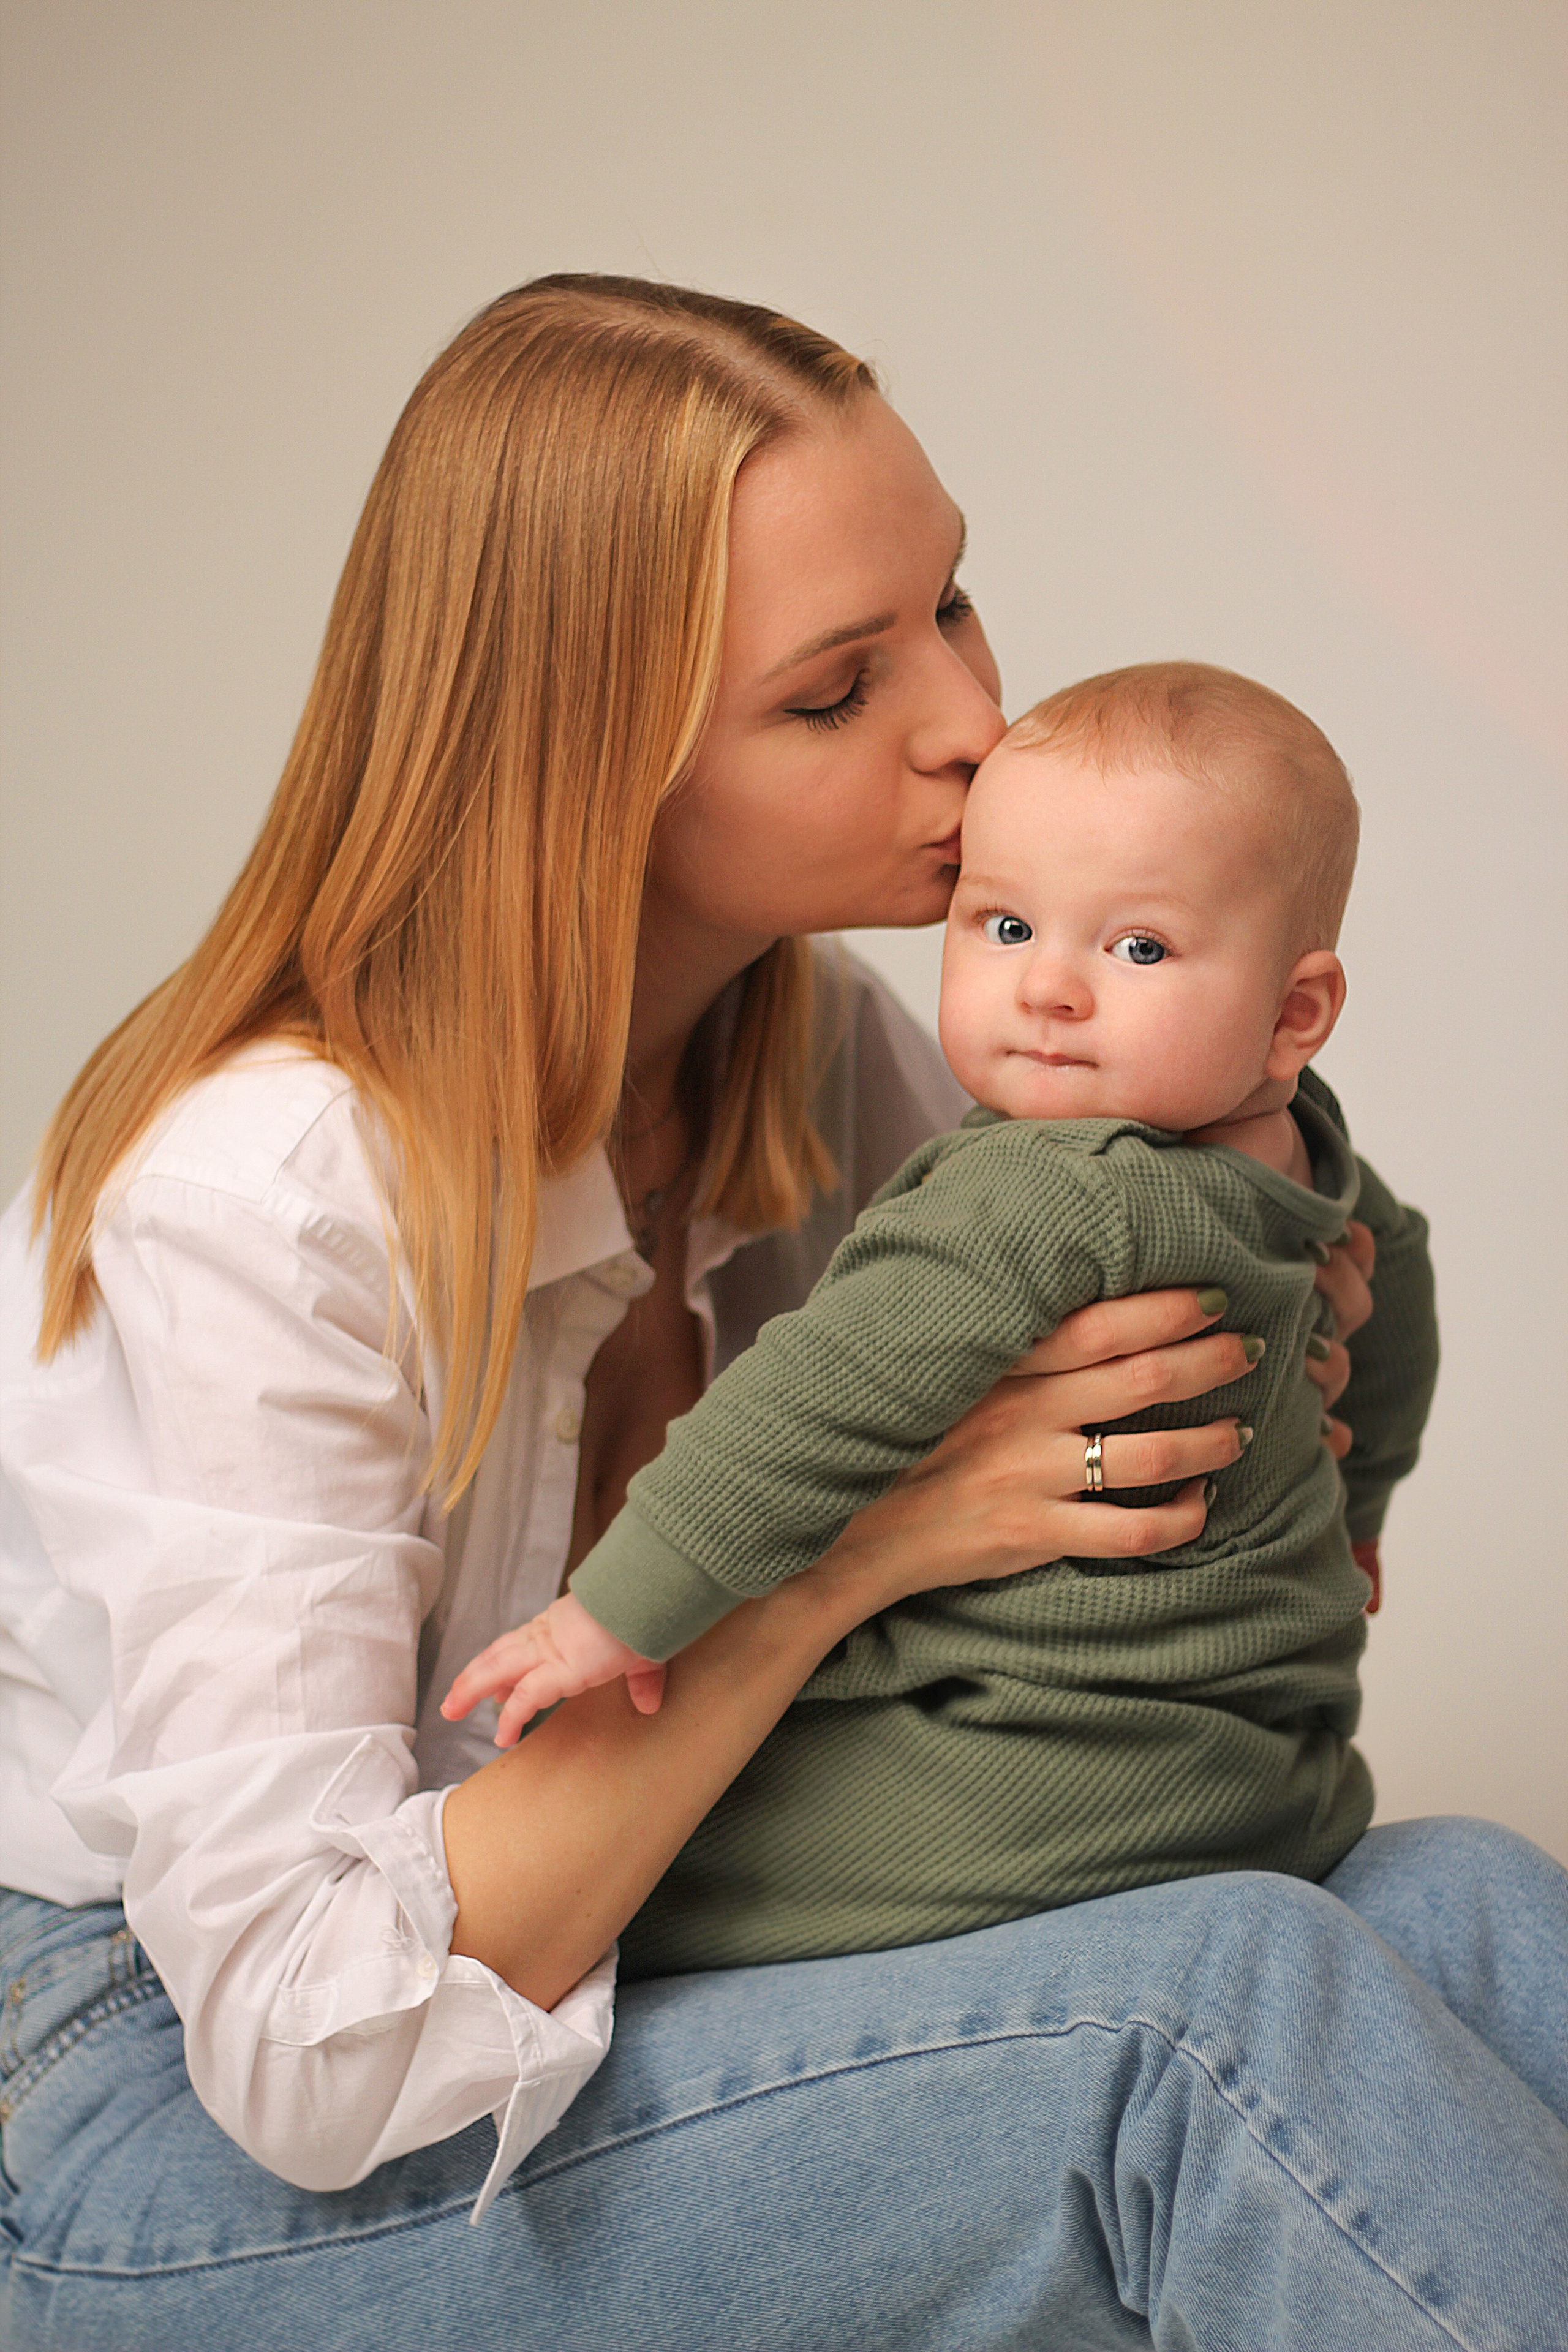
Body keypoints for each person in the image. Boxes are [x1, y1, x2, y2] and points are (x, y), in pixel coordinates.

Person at [0, 276, 1563, 2351]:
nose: (969, 725)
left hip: (638, 1952)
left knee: (1459, 1907)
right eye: (836, 693)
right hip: (149, 2123)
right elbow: (308, 2056)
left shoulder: (831, 1063)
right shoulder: (263, 1198)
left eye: (955, 606)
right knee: (1207, 2029)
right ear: (590, 770)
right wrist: (869, 1549)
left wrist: (1294, 1301)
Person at [446, 661, 1440, 1980]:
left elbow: (812, 1398)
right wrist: (1356, 1508)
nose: (1049, 990)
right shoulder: (1314, 1172)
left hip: (1013, 1805)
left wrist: (617, 1613)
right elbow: (1400, 1293)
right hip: (1261, 1776)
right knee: (1470, 1895)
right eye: (1004, 927)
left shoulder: (1043, 1185)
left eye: (1134, 947)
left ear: (1293, 1011)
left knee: (672, 1887)